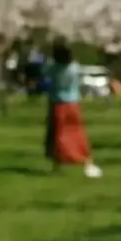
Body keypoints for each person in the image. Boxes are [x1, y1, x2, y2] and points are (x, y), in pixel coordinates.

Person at [43, 43, 97, 178]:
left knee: (59, 134)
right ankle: (86, 160)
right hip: (73, 103)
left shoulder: (54, 68)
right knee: (77, 131)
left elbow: (44, 71)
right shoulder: (74, 67)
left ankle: (58, 163)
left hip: (58, 102)